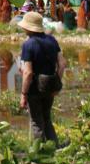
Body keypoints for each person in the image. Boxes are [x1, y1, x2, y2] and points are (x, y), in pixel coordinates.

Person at [18, 11, 66, 145]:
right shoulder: (52, 40)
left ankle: (38, 157)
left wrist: (23, 94)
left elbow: (27, 73)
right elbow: (62, 64)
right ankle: (55, 148)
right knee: (46, 118)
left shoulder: (28, 45)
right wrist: (57, 82)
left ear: (28, 28)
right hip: (50, 84)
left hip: (34, 88)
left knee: (36, 122)